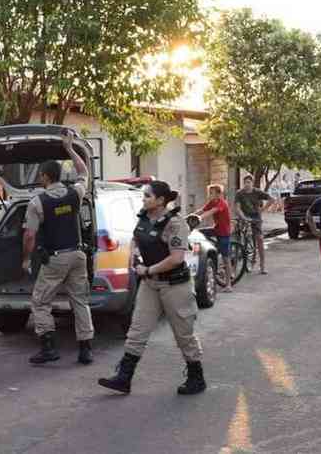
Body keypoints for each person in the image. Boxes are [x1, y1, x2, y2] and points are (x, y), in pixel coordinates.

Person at [98, 181, 205, 395]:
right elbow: (135, 242)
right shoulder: (143, 219)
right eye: (144, 195)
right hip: (150, 284)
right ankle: (124, 377)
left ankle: (196, 376)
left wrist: (147, 270)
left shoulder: (175, 223)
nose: (144, 199)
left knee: (184, 334)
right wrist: (136, 261)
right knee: (137, 330)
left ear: (161, 200)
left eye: (148, 196)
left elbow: (176, 258)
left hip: (175, 284)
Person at [22, 129, 94, 365]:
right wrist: (70, 148)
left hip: (55, 260)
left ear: (44, 177)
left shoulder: (38, 202)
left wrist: (25, 259)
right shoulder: (75, 192)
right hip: (77, 255)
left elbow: (29, 236)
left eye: (41, 176)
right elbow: (84, 171)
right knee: (80, 301)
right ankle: (85, 350)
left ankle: (48, 347)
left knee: (40, 302)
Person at [195, 184, 234, 292]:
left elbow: (211, 212)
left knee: (226, 259)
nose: (209, 195)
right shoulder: (212, 202)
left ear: (218, 194)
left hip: (224, 233)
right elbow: (202, 210)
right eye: (209, 193)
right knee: (198, 233)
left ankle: (229, 284)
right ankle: (209, 251)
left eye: (211, 193)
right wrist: (189, 216)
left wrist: (199, 218)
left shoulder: (222, 203)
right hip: (216, 229)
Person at [234, 176, 271, 274]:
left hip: (256, 218)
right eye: (245, 182)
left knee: (259, 239)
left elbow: (272, 199)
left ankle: (262, 266)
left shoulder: (257, 192)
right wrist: (243, 217)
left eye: (248, 182)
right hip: (244, 217)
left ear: (252, 183)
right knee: (238, 237)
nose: (247, 184)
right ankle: (236, 265)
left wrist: (262, 210)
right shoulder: (239, 193)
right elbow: (237, 208)